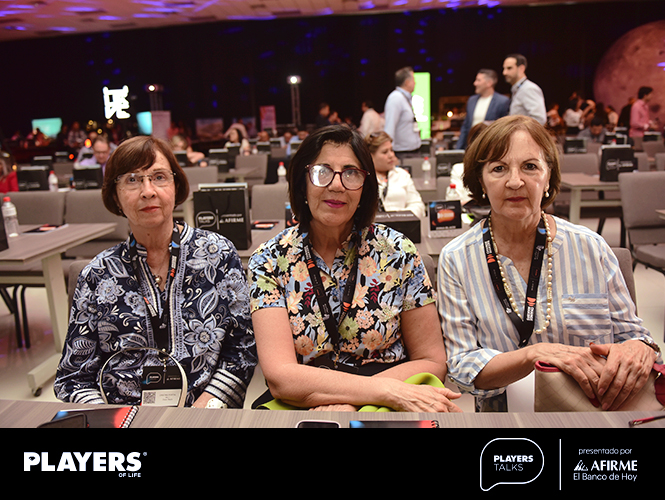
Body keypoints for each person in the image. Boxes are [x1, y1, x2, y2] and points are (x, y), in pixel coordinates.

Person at [438, 115, 659, 412]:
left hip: (596, 410)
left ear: (548, 177)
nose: (515, 181)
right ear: (481, 181)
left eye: (530, 167)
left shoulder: (590, 247)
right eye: (499, 168)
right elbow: (463, 367)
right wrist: (535, 355)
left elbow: (634, 336)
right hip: (507, 418)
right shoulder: (457, 259)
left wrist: (639, 347)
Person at [248, 125, 461, 412]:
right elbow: (281, 377)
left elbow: (432, 360)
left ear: (365, 187)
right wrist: (375, 393)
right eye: (322, 171)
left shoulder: (399, 252)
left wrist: (357, 402)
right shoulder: (270, 259)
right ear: (302, 182)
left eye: (351, 173)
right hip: (303, 402)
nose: (337, 185)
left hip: (391, 403)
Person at [54, 136, 257, 408]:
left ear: (176, 185)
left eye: (159, 177)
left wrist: (204, 411)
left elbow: (243, 350)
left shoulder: (218, 255)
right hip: (122, 416)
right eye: (132, 180)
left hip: (205, 413)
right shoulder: (97, 274)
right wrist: (111, 419)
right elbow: (73, 378)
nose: (148, 191)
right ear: (115, 196)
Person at [366, 131, 425, 218]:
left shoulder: (402, 175)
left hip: (403, 223)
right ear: (370, 156)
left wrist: (399, 216)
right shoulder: (364, 178)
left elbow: (418, 205)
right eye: (385, 152)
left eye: (391, 150)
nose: (391, 155)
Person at [455, 69, 510, 149]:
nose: (475, 83)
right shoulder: (471, 100)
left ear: (489, 83)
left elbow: (503, 128)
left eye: (478, 80)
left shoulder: (502, 101)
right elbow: (465, 126)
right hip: (471, 146)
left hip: (490, 147)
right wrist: (458, 149)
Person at [384, 67, 422, 159]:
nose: (415, 83)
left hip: (412, 152)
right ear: (407, 82)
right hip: (402, 154)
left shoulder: (405, 98)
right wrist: (389, 154)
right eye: (413, 80)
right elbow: (390, 128)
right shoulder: (395, 98)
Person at [502, 54, 547, 125]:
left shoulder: (529, 88)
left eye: (509, 68)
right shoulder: (519, 89)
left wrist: (520, 130)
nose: (504, 73)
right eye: (504, 69)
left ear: (521, 69)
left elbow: (539, 119)